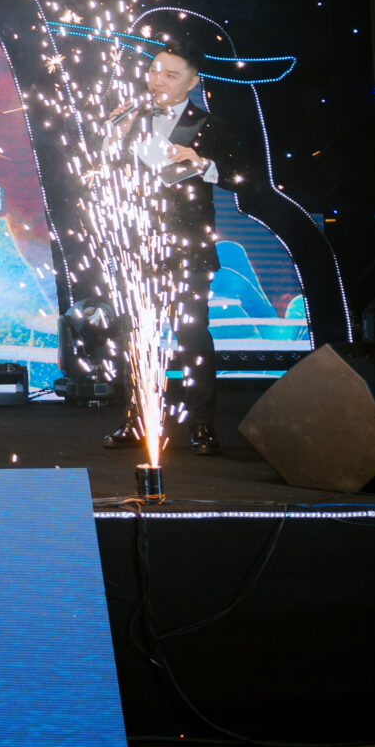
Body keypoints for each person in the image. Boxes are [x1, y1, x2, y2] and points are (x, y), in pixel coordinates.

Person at [104, 46, 240, 456]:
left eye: (170, 75)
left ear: (193, 81)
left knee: (192, 335)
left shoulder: (210, 125)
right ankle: (137, 420)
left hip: (188, 247)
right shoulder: (133, 117)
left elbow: (243, 176)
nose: (158, 81)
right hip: (139, 244)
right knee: (136, 335)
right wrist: (114, 136)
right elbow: (108, 173)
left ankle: (201, 424)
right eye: (153, 71)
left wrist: (202, 163)